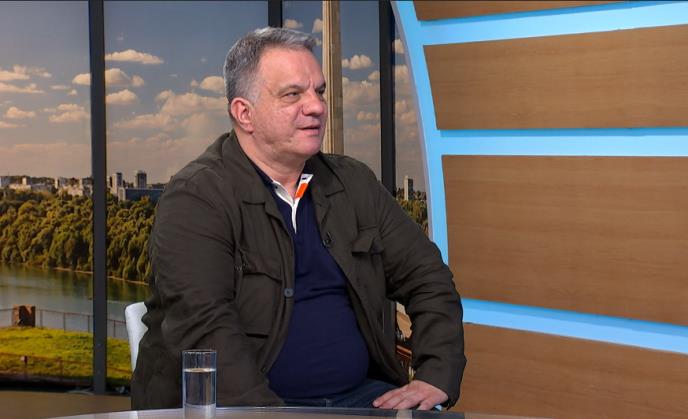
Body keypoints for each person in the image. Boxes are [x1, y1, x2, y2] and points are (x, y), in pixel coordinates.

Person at [131, 27, 465, 411]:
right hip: (246, 409)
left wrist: (436, 372)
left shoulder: (354, 182)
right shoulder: (195, 197)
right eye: (293, 94)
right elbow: (206, 332)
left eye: (319, 92)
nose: (316, 107)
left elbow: (428, 277)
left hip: (361, 400)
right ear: (244, 113)